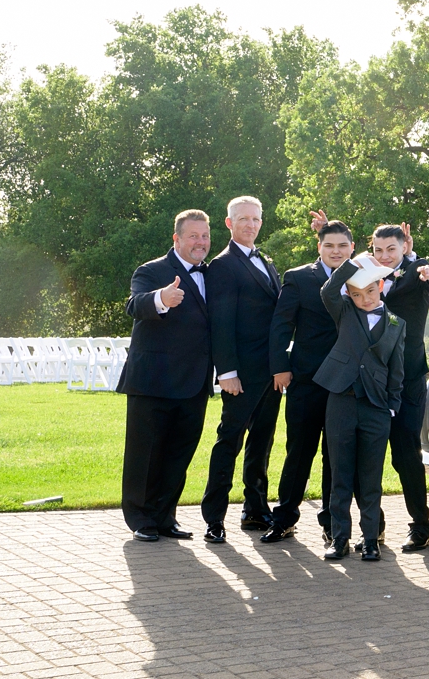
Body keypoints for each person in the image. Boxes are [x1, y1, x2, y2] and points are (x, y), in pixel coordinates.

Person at [120, 210, 217, 542]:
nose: (200, 242)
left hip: (194, 382)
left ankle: (165, 517)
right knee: (144, 454)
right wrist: (161, 298)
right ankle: (140, 519)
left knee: (179, 454)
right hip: (153, 381)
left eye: (204, 236)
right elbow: (135, 305)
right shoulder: (151, 270)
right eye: (193, 236)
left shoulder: (213, 273)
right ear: (176, 239)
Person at [261, 219, 356, 543]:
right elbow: (280, 326)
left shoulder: (364, 279)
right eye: (329, 245)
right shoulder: (299, 278)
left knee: (336, 455)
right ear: (319, 247)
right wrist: (280, 367)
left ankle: (332, 524)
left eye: (342, 246)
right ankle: (284, 518)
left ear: (352, 248)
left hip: (345, 384)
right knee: (299, 451)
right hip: (305, 380)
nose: (336, 251)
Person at [199, 196, 284, 542]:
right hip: (242, 374)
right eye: (243, 219)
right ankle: (214, 518)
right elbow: (221, 324)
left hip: (271, 373)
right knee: (229, 442)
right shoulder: (222, 265)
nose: (250, 225)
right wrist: (227, 371)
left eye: (255, 219)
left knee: (261, 443)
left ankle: (255, 510)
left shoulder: (265, 260)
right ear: (229, 223)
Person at [315, 258, 408, 562]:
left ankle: (370, 540)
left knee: (370, 477)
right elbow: (328, 291)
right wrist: (348, 266)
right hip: (341, 400)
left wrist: (392, 406)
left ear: (380, 286)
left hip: (377, 407)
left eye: (370, 291)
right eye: (356, 294)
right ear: (349, 296)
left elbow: (397, 369)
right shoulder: (344, 312)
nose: (365, 299)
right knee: (340, 473)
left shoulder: (396, 323)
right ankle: (339, 538)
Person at [371, 222, 429, 551]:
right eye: (378, 250)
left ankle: (421, 525)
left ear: (405, 247)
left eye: (392, 249)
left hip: (409, 379)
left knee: (405, 455)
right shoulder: (364, 272)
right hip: (372, 379)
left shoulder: (418, 270)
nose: (385, 256)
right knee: (370, 455)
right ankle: (374, 526)